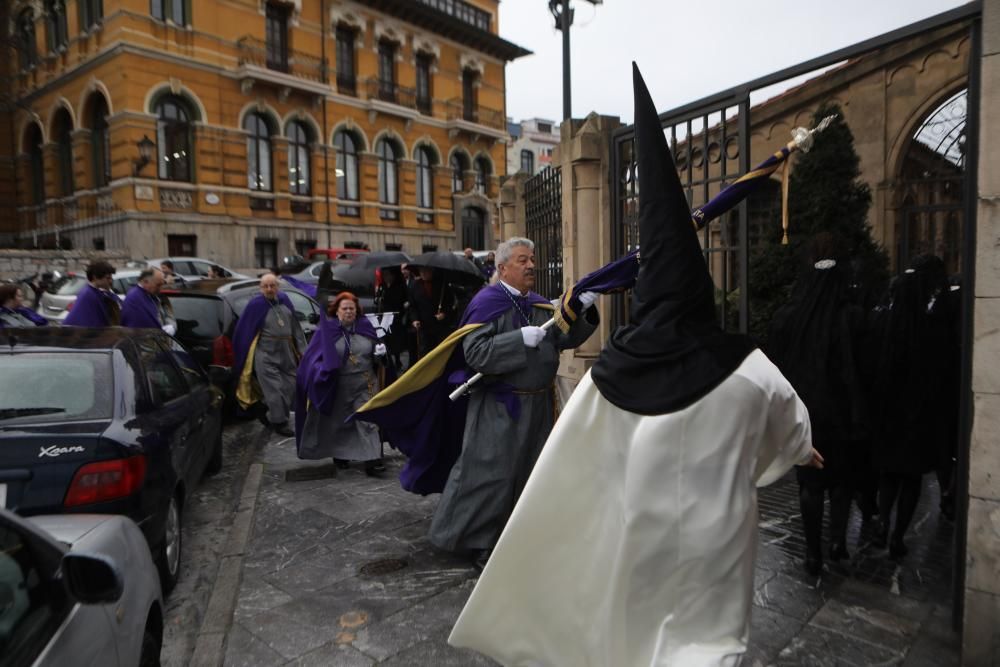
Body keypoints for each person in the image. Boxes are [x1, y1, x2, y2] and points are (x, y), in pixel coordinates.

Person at [447, 64, 821, 666]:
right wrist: (802, 449)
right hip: (718, 536)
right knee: (711, 637)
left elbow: (567, 468)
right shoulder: (751, 369)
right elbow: (791, 425)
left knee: (641, 626)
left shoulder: (612, 373)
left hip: (642, 532)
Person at [428, 237, 599, 569]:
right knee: (492, 475)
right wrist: (516, 339)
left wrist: (582, 310)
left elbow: (565, 337)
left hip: (539, 406)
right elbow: (475, 354)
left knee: (531, 473)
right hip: (499, 407)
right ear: (502, 268)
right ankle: (480, 542)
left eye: (532, 259)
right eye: (522, 260)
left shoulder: (536, 304)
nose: (531, 265)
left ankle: (520, 534)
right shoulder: (487, 302)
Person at [767, 233, 867, 575]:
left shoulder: (789, 316)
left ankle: (813, 552)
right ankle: (837, 542)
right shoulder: (853, 316)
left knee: (810, 483)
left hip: (805, 414)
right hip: (843, 415)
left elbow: (775, 368)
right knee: (842, 481)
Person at [870, 254, 958, 558]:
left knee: (888, 475)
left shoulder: (883, 325)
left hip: (888, 414)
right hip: (918, 417)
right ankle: (897, 535)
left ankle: (882, 522)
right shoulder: (933, 329)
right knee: (910, 480)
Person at [295, 292, 388, 476]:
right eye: (344, 308)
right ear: (336, 311)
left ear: (357, 310)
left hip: (365, 383)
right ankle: (341, 455)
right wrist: (321, 371)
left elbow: (380, 357)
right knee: (340, 422)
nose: (348, 312)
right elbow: (312, 358)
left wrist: (381, 354)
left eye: (351, 308)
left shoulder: (365, 327)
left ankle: (372, 461)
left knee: (367, 421)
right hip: (339, 385)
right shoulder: (326, 331)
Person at [232, 273, 307, 436]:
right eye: (265, 286)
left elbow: (296, 328)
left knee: (290, 386)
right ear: (261, 288)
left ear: (277, 287)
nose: (269, 289)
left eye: (272, 285)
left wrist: (303, 350)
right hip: (266, 354)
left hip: (286, 351)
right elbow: (244, 331)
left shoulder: (285, 300)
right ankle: (280, 422)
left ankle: (264, 407)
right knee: (275, 389)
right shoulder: (256, 305)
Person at [407, 266, 457, 360]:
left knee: (439, 353)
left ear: (431, 271)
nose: (423, 274)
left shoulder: (442, 285)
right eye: (421, 271)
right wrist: (415, 319)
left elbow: (450, 304)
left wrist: (444, 314)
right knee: (425, 353)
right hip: (423, 325)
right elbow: (412, 306)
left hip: (439, 326)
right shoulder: (415, 285)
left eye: (426, 271)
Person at [120, 268, 177, 335]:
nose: (161, 289)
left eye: (162, 284)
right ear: (145, 282)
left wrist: (172, 326)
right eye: (158, 285)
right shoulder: (134, 298)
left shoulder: (153, 294)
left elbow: (167, 313)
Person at [64, 261, 121, 326]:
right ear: (95, 277)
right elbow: (100, 321)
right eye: (107, 278)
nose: (111, 281)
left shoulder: (91, 291)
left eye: (111, 278)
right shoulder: (90, 294)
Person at [374, 267, 407, 370]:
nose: (387, 277)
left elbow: (403, 301)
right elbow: (377, 299)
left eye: (389, 275)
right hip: (383, 316)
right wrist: (378, 298)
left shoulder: (400, 286)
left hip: (395, 317)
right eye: (385, 275)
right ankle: (386, 360)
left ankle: (397, 360)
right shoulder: (382, 286)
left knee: (395, 340)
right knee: (385, 339)